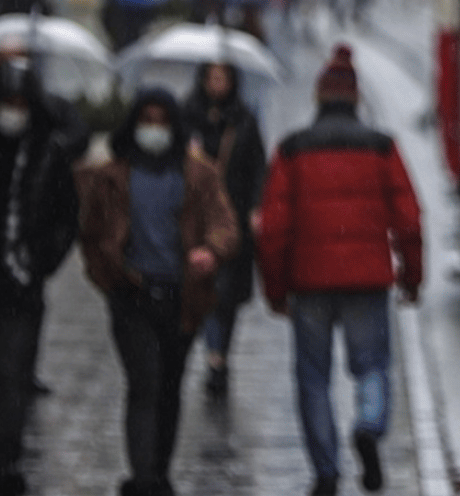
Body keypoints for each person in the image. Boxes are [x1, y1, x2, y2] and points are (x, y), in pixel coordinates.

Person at [257, 44, 423, 496]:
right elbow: (409, 219)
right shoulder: (381, 147)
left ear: (317, 99)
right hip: (368, 279)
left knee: (313, 378)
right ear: (355, 99)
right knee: (372, 366)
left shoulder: (292, 150)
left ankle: (326, 471)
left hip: (309, 283)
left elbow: (272, 229)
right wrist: (412, 278)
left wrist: (275, 290)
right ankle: (369, 425)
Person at [77, 87, 239, 496]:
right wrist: (108, 276)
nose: (153, 129)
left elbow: (224, 223)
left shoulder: (197, 174)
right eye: (146, 120)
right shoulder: (113, 175)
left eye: (161, 120)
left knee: (169, 385)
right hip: (131, 296)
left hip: (180, 297)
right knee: (144, 382)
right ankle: (143, 477)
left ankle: (159, 471)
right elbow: (91, 233)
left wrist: (211, 251)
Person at [0, 59, 79, 496]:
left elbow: (67, 218)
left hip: (22, 285)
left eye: (18, 102)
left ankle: (7, 459)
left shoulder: (48, 155)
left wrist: (40, 260)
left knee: (14, 377)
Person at [0, 35, 89, 398]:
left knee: (16, 363)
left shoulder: (46, 134)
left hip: (25, 267)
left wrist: (44, 257)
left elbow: (67, 211)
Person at [181, 62, 266, 399]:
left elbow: (258, 165)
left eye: (224, 78)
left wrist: (256, 207)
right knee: (200, 288)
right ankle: (211, 355)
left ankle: (218, 357)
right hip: (194, 219)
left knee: (225, 294)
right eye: (212, 78)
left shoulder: (243, 118)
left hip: (232, 217)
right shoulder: (186, 117)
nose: (217, 84)